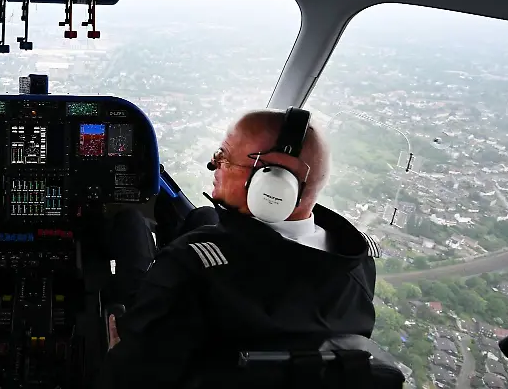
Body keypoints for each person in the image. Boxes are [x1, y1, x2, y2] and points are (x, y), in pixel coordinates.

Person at [99, 109, 377, 389]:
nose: (213, 164)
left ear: (273, 182)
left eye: (224, 156)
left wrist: (117, 352)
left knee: (131, 224)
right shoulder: (359, 265)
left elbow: (129, 375)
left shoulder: (189, 266)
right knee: (204, 216)